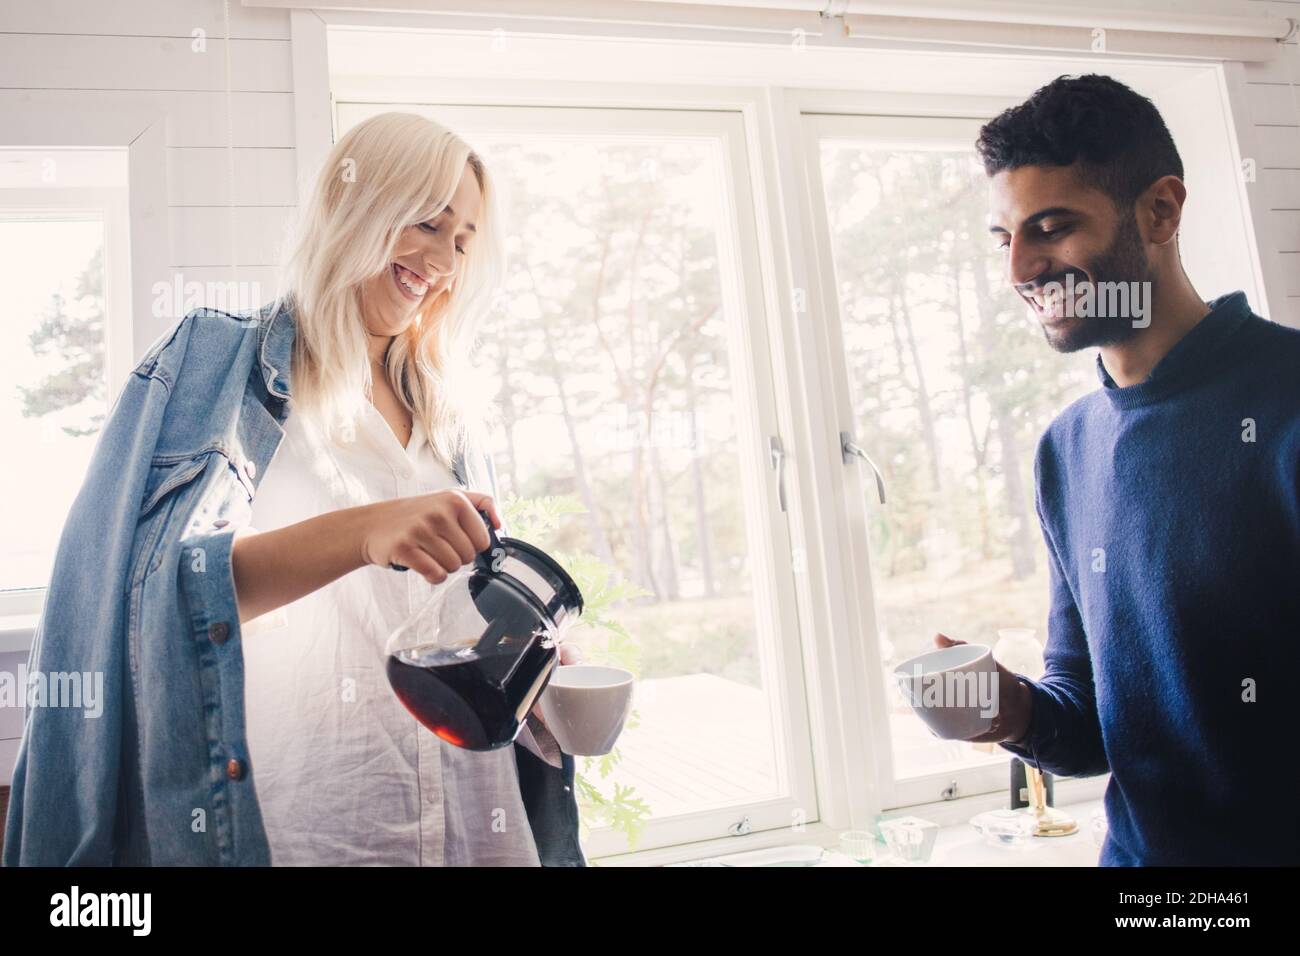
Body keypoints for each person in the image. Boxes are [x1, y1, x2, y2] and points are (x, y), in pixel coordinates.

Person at [3, 112, 584, 866]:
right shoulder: (214, 365)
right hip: (311, 821)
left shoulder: (447, 413)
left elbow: (441, 614)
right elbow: (151, 599)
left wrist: (527, 657)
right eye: (426, 224)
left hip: (474, 820)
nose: (443, 260)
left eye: (463, 241)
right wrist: (363, 532)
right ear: (354, 208)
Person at [933, 74, 1298, 865]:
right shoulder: (1065, 450)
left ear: (1161, 211)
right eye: (1005, 239)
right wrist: (1010, 711)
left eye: (1053, 227)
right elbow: (1093, 730)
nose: (1020, 271)